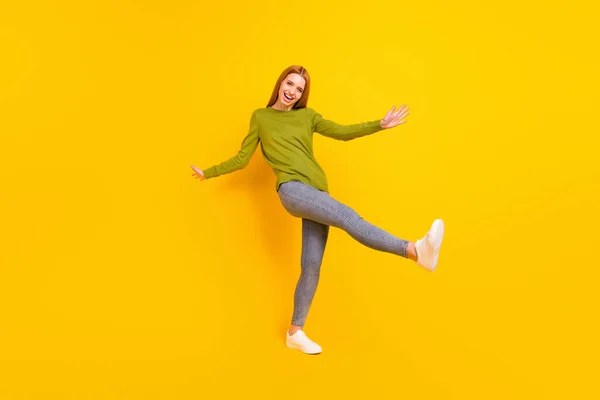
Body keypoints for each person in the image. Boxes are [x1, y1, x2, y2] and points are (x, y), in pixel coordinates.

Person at [191, 65, 444, 355]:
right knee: (349, 218)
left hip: (317, 192)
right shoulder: (260, 117)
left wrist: (379, 124)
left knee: (311, 265)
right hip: (293, 190)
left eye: (299, 89)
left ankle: (295, 332)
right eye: (290, 84)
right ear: (280, 83)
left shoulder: (308, 116)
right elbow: (242, 158)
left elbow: (341, 132)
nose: (292, 91)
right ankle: (414, 251)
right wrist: (208, 172)